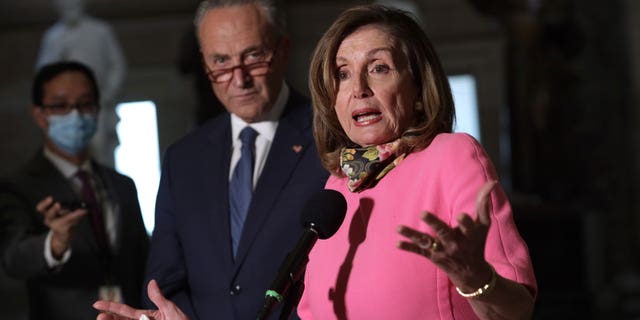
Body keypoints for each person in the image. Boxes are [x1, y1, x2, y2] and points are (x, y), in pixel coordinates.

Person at [93, 4, 536, 320]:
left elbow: (516, 309)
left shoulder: (451, 156)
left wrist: (475, 277)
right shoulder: (338, 188)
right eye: (342, 73)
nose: (358, 87)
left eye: (378, 68)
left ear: (419, 87)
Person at [139, 0, 327, 319]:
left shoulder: (329, 138)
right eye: (221, 62)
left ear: (283, 48)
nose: (239, 80)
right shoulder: (182, 159)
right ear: (204, 63)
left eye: (253, 57)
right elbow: (164, 281)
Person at [0, 61, 149, 320]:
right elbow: (13, 259)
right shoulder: (18, 187)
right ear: (39, 115)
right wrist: (53, 244)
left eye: (84, 103)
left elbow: (142, 260)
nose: (75, 114)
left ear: (97, 109)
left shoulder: (123, 185)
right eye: (60, 106)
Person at [36, 0, 127, 168]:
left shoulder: (100, 31)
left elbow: (117, 66)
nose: (70, 7)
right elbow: (43, 75)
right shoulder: (53, 37)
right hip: (63, 108)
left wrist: (107, 94)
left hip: (96, 103)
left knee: (100, 152)